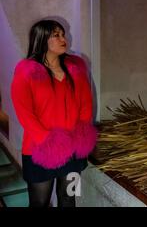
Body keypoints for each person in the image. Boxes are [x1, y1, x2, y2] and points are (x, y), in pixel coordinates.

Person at [11, 19, 97, 207]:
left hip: (73, 149)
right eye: (56, 35)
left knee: (68, 199)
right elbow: (24, 112)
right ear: (42, 39)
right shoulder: (27, 71)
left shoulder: (76, 67)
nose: (63, 38)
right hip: (40, 150)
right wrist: (47, 141)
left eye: (63, 34)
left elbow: (85, 103)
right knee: (39, 203)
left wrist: (82, 134)